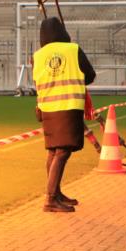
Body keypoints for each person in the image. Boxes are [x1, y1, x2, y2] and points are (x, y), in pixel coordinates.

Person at [32, 17, 96, 213]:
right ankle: (51, 198)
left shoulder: (38, 55)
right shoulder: (72, 49)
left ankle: (56, 193)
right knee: (63, 151)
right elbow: (90, 75)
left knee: (53, 151)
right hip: (67, 106)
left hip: (46, 108)